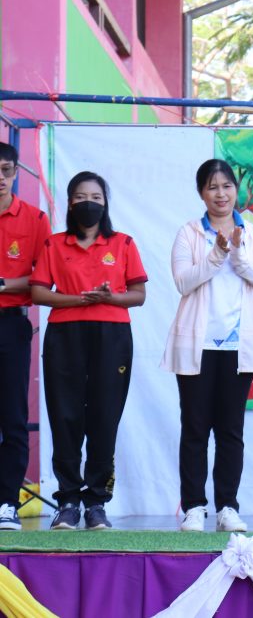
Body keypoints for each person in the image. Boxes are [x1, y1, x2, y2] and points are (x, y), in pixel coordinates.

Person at [162, 159, 253, 533]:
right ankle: (194, 507)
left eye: (226, 186)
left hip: (237, 349)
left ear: (235, 191)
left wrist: (238, 253)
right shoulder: (189, 232)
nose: (221, 194)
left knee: (230, 431)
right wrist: (216, 253)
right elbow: (183, 282)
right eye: (212, 187)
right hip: (196, 346)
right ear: (201, 193)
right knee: (195, 429)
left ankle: (228, 507)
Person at [31, 171, 147, 530]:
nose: (89, 204)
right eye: (81, 197)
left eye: (96, 197)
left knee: (104, 417)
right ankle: (67, 501)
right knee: (65, 417)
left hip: (112, 336)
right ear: (70, 203)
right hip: (65, 335)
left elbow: (139, 295)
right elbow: (38, 292)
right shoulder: (54, 244)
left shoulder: (123, 243)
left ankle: (96, 502)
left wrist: (110, 298)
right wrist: (76, 300)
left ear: (106, 203)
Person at [0, 143, 51, 531]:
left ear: (16, 173)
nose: (0, 178)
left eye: (6, 170)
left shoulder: (35, 219)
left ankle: (6, 503)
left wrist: (3, 284)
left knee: (13, 416)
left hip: (11, 324)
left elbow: (43, 277)